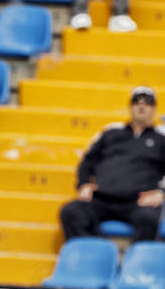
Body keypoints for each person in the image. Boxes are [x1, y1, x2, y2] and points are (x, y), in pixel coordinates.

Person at [60, 87, 165, 242]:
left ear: (155, 108)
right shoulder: (111, 132)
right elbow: (88, 160)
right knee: (70, 212)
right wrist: (83, 184)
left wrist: (161, 192)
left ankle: (136, 264)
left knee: (148, 219)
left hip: (138, 202)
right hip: (102, 199)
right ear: (130, 106)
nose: (141, 106)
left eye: (147, 102)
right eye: (136, 102)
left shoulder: (161, 138)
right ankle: (94, 258)